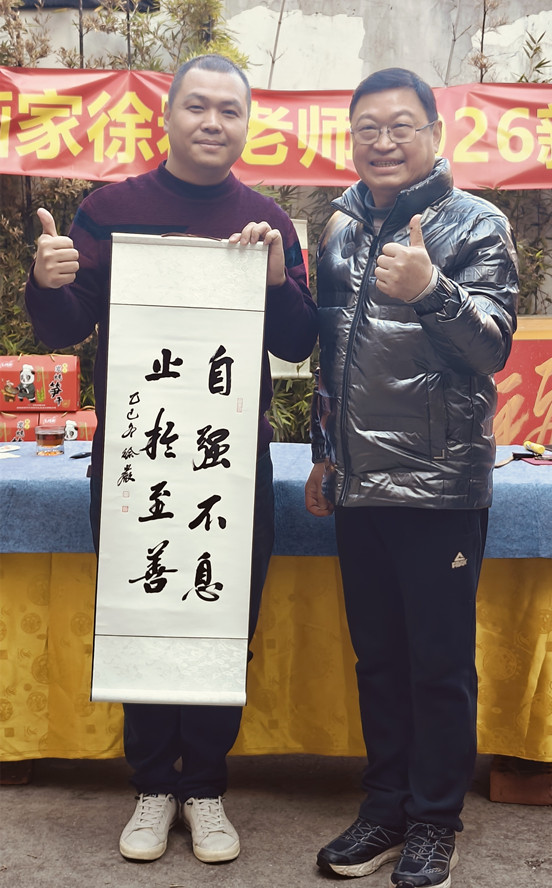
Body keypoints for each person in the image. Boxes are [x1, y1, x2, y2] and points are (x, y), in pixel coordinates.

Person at [26, 54, 317, 865]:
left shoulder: (268, 220)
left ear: (246, 123)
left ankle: (208, 789)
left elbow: (299, 341)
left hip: (230, 467)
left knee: (222, 622)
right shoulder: (109, 210)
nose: (212, 121)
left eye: (229, 109)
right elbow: (64, 327)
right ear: (168, 115)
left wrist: (274, 281)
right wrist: (49, 282)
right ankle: (154, 787)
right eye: (197, 106)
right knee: (145, 614)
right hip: (137, 461)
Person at [305, 68, 518, 888]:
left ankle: (435, 821)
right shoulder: (338, 227)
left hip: (439, 486)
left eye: (401, 126)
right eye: (368, 127)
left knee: (438, 666)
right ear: (351, 138)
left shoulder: (477, 223)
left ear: (435, 133)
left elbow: (492, 347)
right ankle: (386, 809)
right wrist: (326, 451)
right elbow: (330, 353)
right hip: (360, 486)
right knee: (379, 662)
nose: (384, 141)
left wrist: (432, 290)